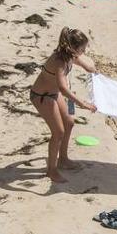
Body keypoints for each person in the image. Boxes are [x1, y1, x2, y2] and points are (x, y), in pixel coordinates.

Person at [29, 28, 98, 183]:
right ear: (73, 48)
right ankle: (51, 171)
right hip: (42, 97)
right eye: (82, 49)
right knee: (58, 132)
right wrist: (83, 104)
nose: (84, 51)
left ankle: (63, 159)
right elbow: (63, 88)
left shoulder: (70, 55)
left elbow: (80, 62)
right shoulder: (60, 61)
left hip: (53, 94)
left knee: (69, 123)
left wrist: (90, 69)